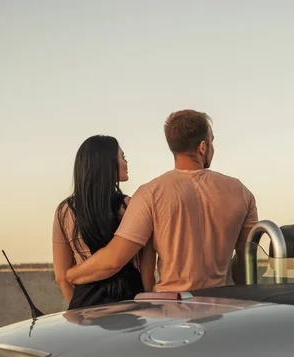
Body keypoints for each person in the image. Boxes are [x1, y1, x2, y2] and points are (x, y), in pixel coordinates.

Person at [65, 109, 258, 292]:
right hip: (221, 307)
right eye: (212, 142)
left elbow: (113, 260)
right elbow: (247, 261)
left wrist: (72, 274)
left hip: (172, 309)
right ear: (202, 147)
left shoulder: (151, 193)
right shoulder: (241, 192)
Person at [53, 135, 144, 309]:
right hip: (129, 301)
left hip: (84, 304)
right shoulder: (131, 206)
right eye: (122, 157)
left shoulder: (64, 211)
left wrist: (78, 310)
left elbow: (61, 277)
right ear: (107, 164)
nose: (126, 162)